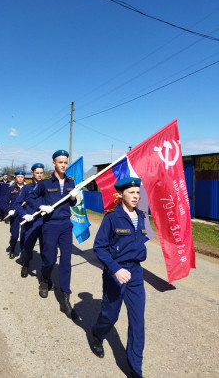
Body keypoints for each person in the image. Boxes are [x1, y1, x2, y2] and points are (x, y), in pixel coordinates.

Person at [90, 177, 149, 378]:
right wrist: (115, 268)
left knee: (137, 322)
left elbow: (144, 239)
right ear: (121, 194)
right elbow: (99, 247)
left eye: (138, 193)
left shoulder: (142, 216)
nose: (136, 196)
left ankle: (135, 369)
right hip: (116, 273)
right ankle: (98, 334)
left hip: (135, 274)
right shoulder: (111, 218)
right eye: (131, 193)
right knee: (110, 314)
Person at [26, 150, 78, 319]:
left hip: (65, 224)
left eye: (65, 162)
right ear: (54, 163)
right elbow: (32, 197)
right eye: (60, 162)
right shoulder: (45, 183)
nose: (63, 165)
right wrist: (41, 207)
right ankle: (44, 278)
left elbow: (73, 203)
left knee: (66, 260)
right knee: (49, 258)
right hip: (50, 224)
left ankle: (65, 298)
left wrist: (74, 198)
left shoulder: (71, 181)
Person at [14, 163, 45, 278]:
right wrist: (24, 215)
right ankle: (25, 264)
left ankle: (44, 273)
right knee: (27, 247)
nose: (39, 175)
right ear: (32, 173)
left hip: (44, 223)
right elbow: (17, 204)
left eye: (41, 173)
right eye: (37, 173)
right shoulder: (27, 188)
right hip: (30, 223)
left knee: (45, 249)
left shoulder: (47, 187)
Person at [4, 170, 26, 259]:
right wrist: (9, 210)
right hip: (14, 214)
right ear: (15, 178)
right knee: (15, 235)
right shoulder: (11, 188)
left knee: (24, 235)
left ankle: (24, 253)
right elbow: (4, 202)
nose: (20, 178)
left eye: (21, 177)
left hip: (24, 214)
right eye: (18, 177)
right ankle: (12, 247)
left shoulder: (28, 188)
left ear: (24, 178)